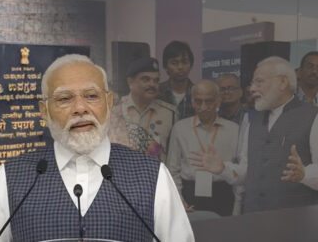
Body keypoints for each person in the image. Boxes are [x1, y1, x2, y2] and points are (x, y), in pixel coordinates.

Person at [0, 54, 194, 242]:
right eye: (64, 99)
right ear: (44, 111)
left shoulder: (152, 175)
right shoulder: (10, 178)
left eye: (91, 96)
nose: (80, 108)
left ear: (109, 102)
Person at [189, 56, 318, 213]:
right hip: (254, 220)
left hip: (295, 224)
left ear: (283, 82)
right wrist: (223, 169)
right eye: (252, 83)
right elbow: (247, 171)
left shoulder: (313, 117)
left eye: (259, 82)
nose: (252, 89)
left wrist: (304, 175)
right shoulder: (252, 121)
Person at [167, 79, 239, 216]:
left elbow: (238, 171)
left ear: (218, 101)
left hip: (222, 193)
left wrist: (237, 207)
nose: (203, 106)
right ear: (192, 101)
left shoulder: (234, 130)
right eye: (198, 101)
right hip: (190, 192)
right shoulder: (180, 128)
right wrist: (179, 200)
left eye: (209, 101)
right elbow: (173, 169)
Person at [111, 57, 176, 162]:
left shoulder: (169, 114)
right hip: (122, 173)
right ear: (130, 82)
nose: (152, 84)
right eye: (146, 79)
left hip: (155, 174)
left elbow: (172, 155)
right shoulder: (115, 110)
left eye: (156, 80)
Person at [158, 41, 195, 121]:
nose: (180, 67)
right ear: (165, 66)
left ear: (191, 65)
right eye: (174, 63)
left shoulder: (198, 93)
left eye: (185, 62)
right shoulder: (157, 92)